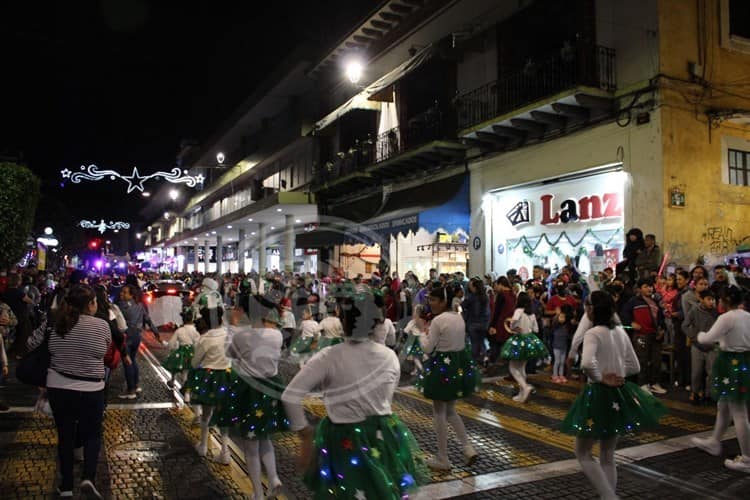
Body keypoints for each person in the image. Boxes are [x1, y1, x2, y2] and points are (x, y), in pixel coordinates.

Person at [282, 289, 428, 499]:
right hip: (383, 436)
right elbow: (388, 393)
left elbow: (290, 396)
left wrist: (305, 434)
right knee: (384, 490)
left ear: (344, 321)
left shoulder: (329, 357)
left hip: (343, 438)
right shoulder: (389, 356)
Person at [561, 291, 666, 499]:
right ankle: (608, 495)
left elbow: (586, 363)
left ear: (591, 309)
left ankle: (609, 496)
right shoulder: (619, 331)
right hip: (618, 395)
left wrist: (601, 377)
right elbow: (634, 365)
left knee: (582, 452)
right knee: (608, 455)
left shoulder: (593, 333)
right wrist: (618, 375)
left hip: (597, 396)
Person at [215, 306, 288, 500]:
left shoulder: (242, 336)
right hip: (270, 389)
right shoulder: (277, 336)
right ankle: (273, 478)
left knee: (250, 446)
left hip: (249, 391)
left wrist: (233, 327)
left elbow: (229, 353)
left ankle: (257, 493)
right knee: (265, 438)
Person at [46, 284, 111, 499]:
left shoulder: (56, 322)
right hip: (91, 388)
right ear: (91, 304)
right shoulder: (101, 325)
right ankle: (88, 478)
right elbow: (104, 351)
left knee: (65, 436)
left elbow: (33, 343)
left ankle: (65, 486)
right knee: (92, 434)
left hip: (59, 387)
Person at [417, 284, 480, 470]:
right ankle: (468, 448)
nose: (430, 303)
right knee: (451, 410)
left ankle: (443, 458)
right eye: (429, 299)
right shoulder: (458, 317)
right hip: (459, 365)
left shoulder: (438, 320)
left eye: (434, 300)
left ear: (444, 301)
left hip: (441, 367)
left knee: (439, 412)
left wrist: (420, 332)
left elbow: (428, 348)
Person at [691, 286, 750, 473]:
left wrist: (699, 334)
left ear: (724, 301)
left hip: (729, 363)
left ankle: (747, 458)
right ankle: (715, 441)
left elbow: (707, 338)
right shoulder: (747, 316)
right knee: (724, 405)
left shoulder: (726, 318)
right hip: (744, 362)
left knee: (738, 411)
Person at [184, 306, 232, 465]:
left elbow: (195, 362)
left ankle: (203, 445)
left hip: (209, 378)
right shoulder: (229, 335)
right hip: (227, 377)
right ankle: (225, 451)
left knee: (206, 414)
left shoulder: (204, 339)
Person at [500, 292, 549, 402]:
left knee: (512, 367)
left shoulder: (518, 311)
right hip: (529, 340)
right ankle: (522, 394)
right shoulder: (531, 313)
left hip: (518, 340)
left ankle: (525, 387)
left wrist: (514, 327)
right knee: (522, 368)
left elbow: (512, 323)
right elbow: (536, 329)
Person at [621, 279, 667, 395]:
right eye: (646, 286)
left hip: (655, 335)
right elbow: (624, 314)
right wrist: (631, 323)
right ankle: (642, 384)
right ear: (640, 289)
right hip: (641, 335)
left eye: (651, 286)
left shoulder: (656, 301)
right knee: (642, 359)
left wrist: (662, 329)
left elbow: (661, 318)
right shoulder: (634, 301)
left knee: (657, 360)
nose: (649, 289)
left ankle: (654, 383)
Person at [117, 284, 158, 399]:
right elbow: (148, 319)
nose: (121, 294)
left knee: (127, 362)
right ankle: (136, 384)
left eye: (124, 292)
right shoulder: (140, 305)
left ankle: (131, 390)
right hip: (137, 336)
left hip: (127, 337)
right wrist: (156, 333)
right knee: (133, 360)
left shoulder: (121, 306)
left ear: (131, 295)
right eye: (122, 292)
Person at [682, 290, 718, 404]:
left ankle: (709, 394)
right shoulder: (694, 310)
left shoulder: (717, 312)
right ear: (701, 299)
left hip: (712, 347)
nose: (711, 302)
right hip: (697, 346)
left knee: (712, 372)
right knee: (696, 372)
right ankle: (695, 393)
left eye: (713, 299)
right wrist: (694, 337)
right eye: (708, 299)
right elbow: (685, 325)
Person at [162, 310, 200, 388]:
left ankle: (172, 380)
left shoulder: (179, 330)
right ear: (192, 320)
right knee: (186, 371)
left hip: (181, 352)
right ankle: (185, 389)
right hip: (191, 352)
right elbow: (198, 342)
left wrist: (168, 348)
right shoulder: (195, 330)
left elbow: (172, 343)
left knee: (175, 366)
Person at [462, 277, 490, 364]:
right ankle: (484, 359)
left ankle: (474, 362)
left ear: (475, 287)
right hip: (484, 324)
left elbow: (462, 305)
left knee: (474, 343)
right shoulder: (485, 297)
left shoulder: (471, 297)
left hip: (473, 323)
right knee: (481, 343)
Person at [551, 305, 575, 383]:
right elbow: (554, 322)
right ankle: (555, 375)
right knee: (557, 361)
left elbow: (568, 334)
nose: (562, 318)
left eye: (563, 317)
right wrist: (557, 315)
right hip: (557, 346)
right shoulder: (556, 325)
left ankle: (561, 375)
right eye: (560, 317)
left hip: (563, 346)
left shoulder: (566, 326)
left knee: (562, 362)